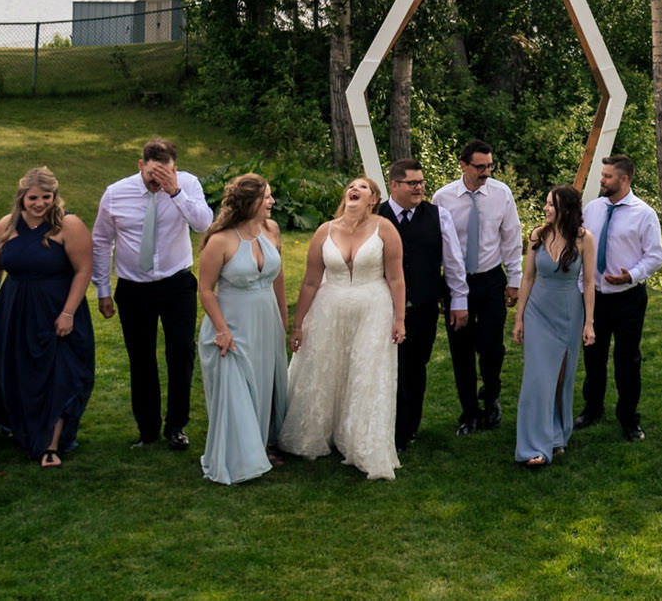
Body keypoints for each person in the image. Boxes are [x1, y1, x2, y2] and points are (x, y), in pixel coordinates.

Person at [280, 176, 406, 479]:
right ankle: (317, 433)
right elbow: (310, 281)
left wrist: (399, 318)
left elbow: (396, 278)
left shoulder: (384, 228)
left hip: (373, 309)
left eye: (362, 187)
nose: (354, 189)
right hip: (329, 308)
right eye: (351, 186)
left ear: (373, 199)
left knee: (366, 373)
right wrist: (297, 326)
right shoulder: (325, 230)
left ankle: (361, 443)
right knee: (324, 369)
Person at [91, 138, 212, 450]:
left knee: (181, 352)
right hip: (134, 289)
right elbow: (101, 241)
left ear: (175, 168)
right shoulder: (115, 194)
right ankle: (147, 429)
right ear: (140, 165)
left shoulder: (186, 185)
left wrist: (176, 193)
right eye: (152, 177)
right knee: (141, 359)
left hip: (177, 284)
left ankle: (176, 426)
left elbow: (203, 224)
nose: (157, 183)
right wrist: (103, 289)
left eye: (166, 175)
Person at [0, 167, 96, 467]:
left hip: (56, 309)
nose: (39, 203)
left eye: (46, 197)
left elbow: (84, 270)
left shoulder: (68, 225)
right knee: (17, 371)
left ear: (54, 196)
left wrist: (68, 313)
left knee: (58, 374)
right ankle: (20, 424)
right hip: (14, 310)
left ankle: (50, 444)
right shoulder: (6, 226)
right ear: (22, 197)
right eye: (33, 197)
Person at [195, 174, 290, 484]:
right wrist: (221, 330)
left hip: (266, 320)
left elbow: (278, 278)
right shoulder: (220, 240)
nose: (272, 202)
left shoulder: (272, 230)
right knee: (237, 386)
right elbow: (206, 290)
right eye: (267, 198)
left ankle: (262, 443)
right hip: (231, 324)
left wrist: (284, 320)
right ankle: (241, 456)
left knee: (264, 384)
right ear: (250, 203)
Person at [430, 140, 521, 435]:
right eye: (480, 167)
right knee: (461, 349)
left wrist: (515, 280)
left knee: (493, 347)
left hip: (491, 278)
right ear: (463, 165)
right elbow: (436, 246)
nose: (486, 172)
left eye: (489, 166)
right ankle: (469, 412)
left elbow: (511, 237)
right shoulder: (442, 198)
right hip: (457, 282)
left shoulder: (501, 193)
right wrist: (441, 291)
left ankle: (491, 395)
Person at [377, 158, 466, 451]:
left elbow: (453, 262)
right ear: (394, 185)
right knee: (390, 367)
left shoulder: (439, 216)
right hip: (382, 307)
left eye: (421, 183)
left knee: (416, 367)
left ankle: (410, 426)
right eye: (412, 183)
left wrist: (458, 300)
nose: (419, 188)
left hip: (425, 306)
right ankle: (390, 430)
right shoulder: (376, 215)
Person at [511, 184, 596, 468]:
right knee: (537, 379)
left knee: (561, 378)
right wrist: (520, 317)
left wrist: (589, 323)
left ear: (567, 209)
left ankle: (558, 434)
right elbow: (528, 278)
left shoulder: (584, 239)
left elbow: (588, 282)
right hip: (538, 313)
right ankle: (533, 446)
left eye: (551, 204)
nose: (546, 208)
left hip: (569, 314)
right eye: (546, 203)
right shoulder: (537, 235)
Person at [580, 154, 662, 441]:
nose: (601, 180)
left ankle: (628, 418)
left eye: (607, 176)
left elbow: (655, 257)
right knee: (593, 356)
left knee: (627, 360)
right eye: (602, 175)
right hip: (595, 298)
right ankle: (592, 408)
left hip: (628, 298)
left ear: (624, 179)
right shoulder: (591, 209)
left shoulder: (644, 214)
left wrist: (631, 275)